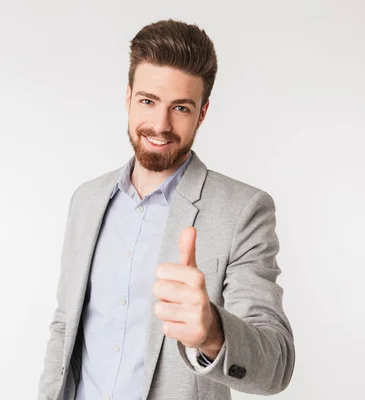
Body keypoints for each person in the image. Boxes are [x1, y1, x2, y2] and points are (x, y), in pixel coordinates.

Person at [38, 19, 294, 400]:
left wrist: (213, 333)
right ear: (127, 97)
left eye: (180, 107)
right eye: (148, 101)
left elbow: (277, 365)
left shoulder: (244, 211)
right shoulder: (87, 200)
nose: (160, 125)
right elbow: (65, 326)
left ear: (202, 113)